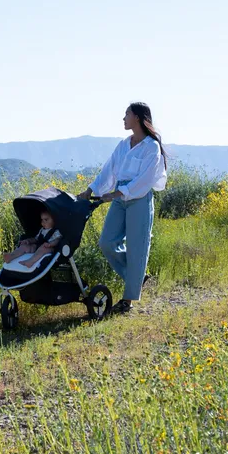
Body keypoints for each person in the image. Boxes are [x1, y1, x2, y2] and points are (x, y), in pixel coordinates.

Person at [80, 102, 167, 313]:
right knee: (107, 242)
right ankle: (136, 276)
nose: (123, 118)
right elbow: (109, 169)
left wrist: (116, 194)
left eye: (126, 114)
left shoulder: (151, 147)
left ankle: (127, 301)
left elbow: (144, 180)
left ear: (137, 117)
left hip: (139, 198)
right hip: (119, 198)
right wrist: (90, 190)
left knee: (138, 246)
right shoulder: (123, 144)